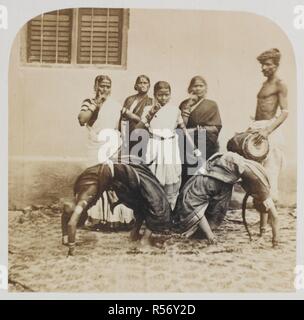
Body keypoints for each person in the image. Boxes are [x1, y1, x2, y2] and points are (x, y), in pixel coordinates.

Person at [61, 156, 172, 256]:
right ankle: (142, 239)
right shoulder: (77, 196)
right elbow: (66, 214)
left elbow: (71, 222)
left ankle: (139, 236)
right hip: (121, 170)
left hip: (123, 169)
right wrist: (65, 237)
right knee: (145, 202)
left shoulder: (83, 198)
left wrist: (71, 248)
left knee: (158, 203)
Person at [171, 152, 279, 248]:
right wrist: (274, 239)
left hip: (224, 166)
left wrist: (265, 233)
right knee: (193, 201)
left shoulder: (263, 186)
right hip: (224, 169)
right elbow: (273, 214)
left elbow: (267, 210)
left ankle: (209, 235)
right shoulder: (263, 190)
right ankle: (210, 236)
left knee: (199, 202)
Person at [78, 75, 134, 231]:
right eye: (102, 86)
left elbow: (132, 117)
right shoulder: (89, 102)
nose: (105, 89)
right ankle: (96, 218)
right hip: (95, 147)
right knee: (96, 180)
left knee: (112, 179)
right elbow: (82, 119)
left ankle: (114, 219)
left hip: (112, 146)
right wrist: (96, 104)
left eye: (108, 86)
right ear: (95, 86)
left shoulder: (115, 104)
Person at [248, 48, 288, 203]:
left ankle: (272, 221)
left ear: (276, 65)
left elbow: (285, 112)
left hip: (269, 130)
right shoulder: (264, 84)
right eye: (262, 65)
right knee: (258, 175)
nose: (263, 68)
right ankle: (263, 221)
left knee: (270, 174)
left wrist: (267, 130)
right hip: (258, 128)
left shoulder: (280, 84)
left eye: (267, 64)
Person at [138, 81, 184, 209]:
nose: (163, 98)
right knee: (153, 180)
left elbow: (183, 128)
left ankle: (170, 213)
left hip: (170, 147)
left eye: (166, 95)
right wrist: (151, 113)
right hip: (155, 146)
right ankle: (155, 214)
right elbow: (139, 127)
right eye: (160, 95)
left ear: (170, 94)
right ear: (154, 95)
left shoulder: (175, 110)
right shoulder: (148, 109)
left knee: (172, 181)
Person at [179, 76, 222, 188]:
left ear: (205, 88)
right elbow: (180, 124)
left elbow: (215, 127)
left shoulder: (212, 105)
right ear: (190, 88)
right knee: (185, 172)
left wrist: (195, 130)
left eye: (201, 86)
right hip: (186, 143)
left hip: (204, 143)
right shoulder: (184, 103)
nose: (198, 88)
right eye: (195, 86)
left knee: (200, 173)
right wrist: (188, 105)